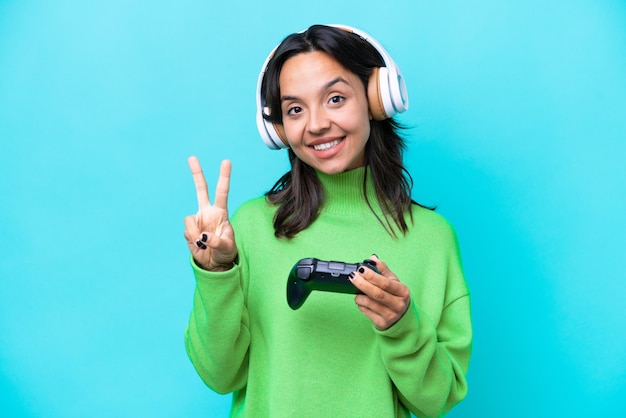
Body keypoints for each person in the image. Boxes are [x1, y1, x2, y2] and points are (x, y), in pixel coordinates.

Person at [183, 24, 472, 418]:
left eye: (335, 98)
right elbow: (219, 375)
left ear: (376, 99)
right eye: (295, 109)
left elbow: (436, 400)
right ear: (278, 128)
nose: (316, 124)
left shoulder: (434, 240)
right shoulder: (248, 227)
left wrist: (402, 325)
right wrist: (215, 274)